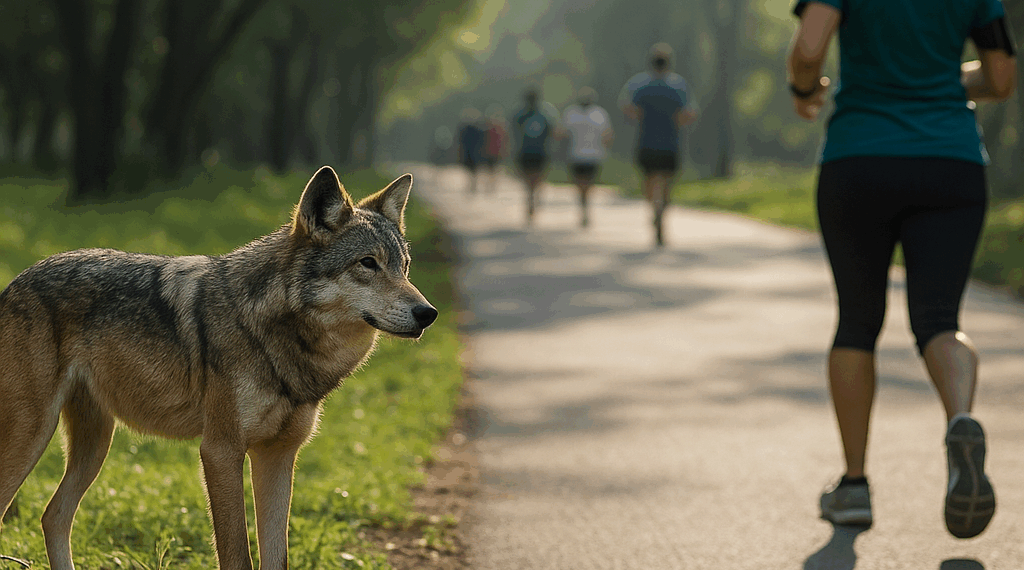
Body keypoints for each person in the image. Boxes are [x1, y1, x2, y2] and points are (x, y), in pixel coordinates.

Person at [789, 0, 1016, 538]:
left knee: (858, 320)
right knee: (939, 318)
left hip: (859, 158)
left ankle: (854, 488)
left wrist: (806, 89)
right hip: (950, 163)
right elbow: (1001, 77)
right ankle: (961, 418)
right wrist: (933, 81)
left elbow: (808, 49)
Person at [619, 43, 697, 246]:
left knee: (649, 180)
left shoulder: (640, 84)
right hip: (670, 142)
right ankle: (661, 209)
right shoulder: (678, 85)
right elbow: (689, 114)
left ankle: (654, 208)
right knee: (666, 181)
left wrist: (642, 117)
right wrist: (675, 120)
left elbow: (627, 107)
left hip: (647, 141)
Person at [557, 87, 614, 228]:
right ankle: (584, 207)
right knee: (585, 184)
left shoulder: (573, 113)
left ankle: (584, 206)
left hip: (583, 155)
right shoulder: (598, 114)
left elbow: (561, 133)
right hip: (586, 155)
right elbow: (608, 135)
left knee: (582, 185)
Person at [512, 88, 557, 223]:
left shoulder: (520, 114)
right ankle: (533, 195)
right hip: (539, 151)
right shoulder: (545, 113)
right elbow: (552, 132)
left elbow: (515, 133)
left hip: (526, 151)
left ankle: (531, 196)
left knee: (527, 179)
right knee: (537, 177)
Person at [457, 107, 485, 194]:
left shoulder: (467, 129)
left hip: (471, 152)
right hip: (473, 152)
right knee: (472, 170)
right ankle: (473, 184)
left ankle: (472, 184)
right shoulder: (475, 129)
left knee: (472, 170)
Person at [483, 104, 509, 194]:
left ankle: (492, 185)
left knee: (494, 169)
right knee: (490, 169)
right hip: (490, 151)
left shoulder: (500, 128)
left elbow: (504, 141)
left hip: (496, 151)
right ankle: (490, 185)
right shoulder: (488, 128)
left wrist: (504, 150)